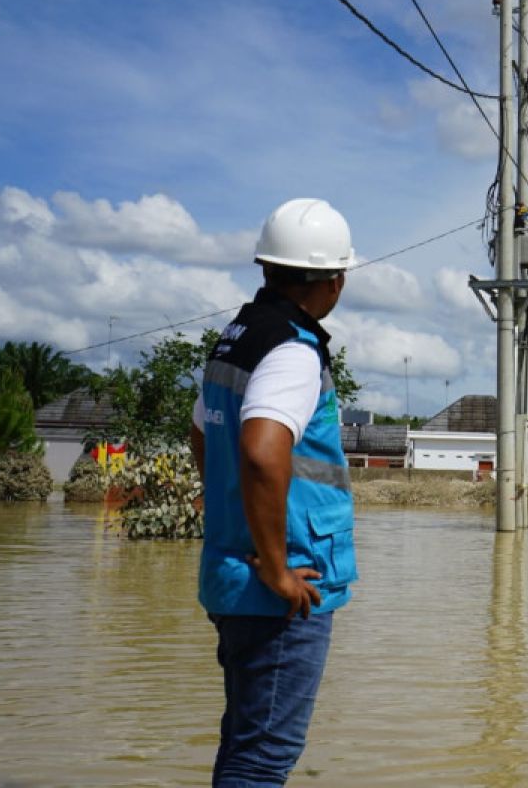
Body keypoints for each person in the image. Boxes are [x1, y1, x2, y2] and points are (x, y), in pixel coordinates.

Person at [189, 198, 358, 786]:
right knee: (264, 757)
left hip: (233, 575)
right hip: (281, 592)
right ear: (334, 282)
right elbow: (262, 451)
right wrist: (280, 568)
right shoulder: (291, 349)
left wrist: (231, 516)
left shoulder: (236, 340)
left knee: (245, 742)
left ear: (267, 268)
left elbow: (200, 432)